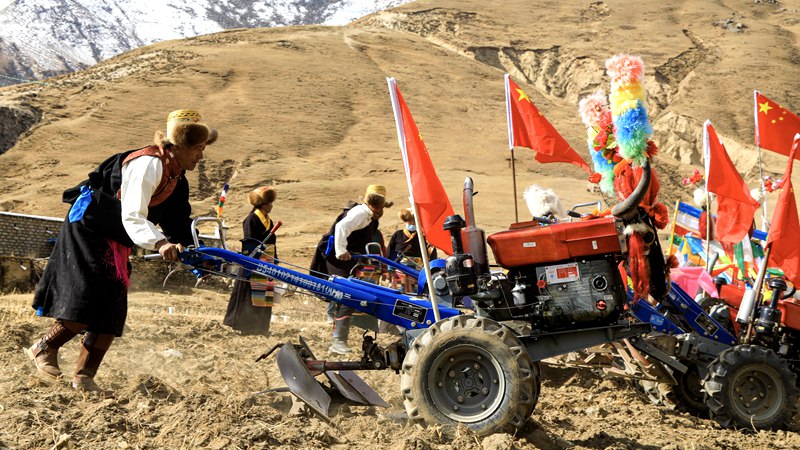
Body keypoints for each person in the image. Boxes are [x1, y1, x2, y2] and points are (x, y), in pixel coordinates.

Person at [26, 109, 217, 395]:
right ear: (178, 147)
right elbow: (133, 216)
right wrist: (160, 243)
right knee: (90, 292)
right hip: (90, 226)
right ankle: (45, 346)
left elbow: (178, 223)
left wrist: (198, 256)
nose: (201, 156)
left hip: (117, 234)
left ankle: (84, 377)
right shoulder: (148, 165)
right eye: (198, 149)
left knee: (114, 300)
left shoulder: (178, 179)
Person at [309, 184, 391, 355]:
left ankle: (338, 340)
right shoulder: (360, 213)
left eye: (380, 206)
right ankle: (338, 341)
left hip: (349, 259)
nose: (378, 210)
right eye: (376, 206)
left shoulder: (370, 216)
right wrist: (341, 250)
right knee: (347, 294)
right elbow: (341, 227)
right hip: (335, 256)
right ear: (370, 204)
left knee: (348, 295)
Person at [223, 186, 280, 336]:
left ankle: (260, 327)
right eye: (270, 203)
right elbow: (249, 242)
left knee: (263, 295)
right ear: (264, 204)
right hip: (253, 261)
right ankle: (246, 326)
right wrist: (254, 260)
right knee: (250, 294)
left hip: (266, 260)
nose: (272, 205)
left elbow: (272, 243)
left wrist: (274, 258)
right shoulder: (251, 219)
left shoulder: (269, 220)